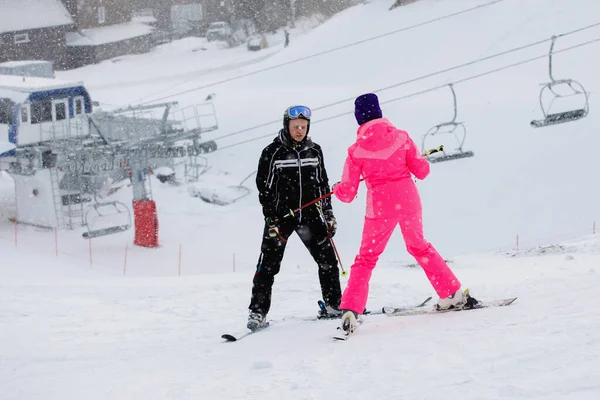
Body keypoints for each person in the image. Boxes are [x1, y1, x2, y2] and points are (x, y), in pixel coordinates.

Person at [332, 93, 477, 333]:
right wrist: (418, 161)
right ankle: (451, 293)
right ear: (379, 113)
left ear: (359, 119)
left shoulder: (355, 151)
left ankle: (351, 310)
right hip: (408, 201)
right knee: (419, 247)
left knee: (366, 258)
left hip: (379, 207)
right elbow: (422, 171)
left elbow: (347, 193)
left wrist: (336, 189)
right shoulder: (402, 137)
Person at [247, 105, 342, 331]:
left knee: (328, 260)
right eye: (295, 126)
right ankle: (257, 312)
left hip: (310, 215)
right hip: (281, 217)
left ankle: (333, 305)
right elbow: (264, 187)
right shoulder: (272, 152)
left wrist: (328, 213)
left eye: (303, 126)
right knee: (268, 266)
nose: (299, 130)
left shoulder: (315, 151)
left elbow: (322, 185)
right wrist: (271, 216)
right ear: (286, 126)